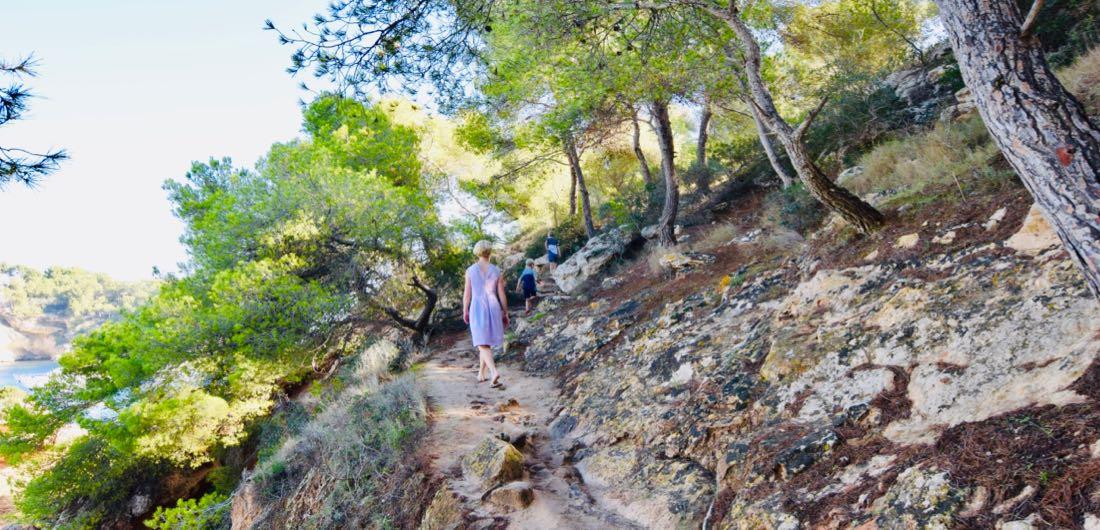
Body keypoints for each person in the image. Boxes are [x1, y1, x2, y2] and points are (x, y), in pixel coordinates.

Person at [463, 240, 509, 387]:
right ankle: (481, 373)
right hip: (493, 304)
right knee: (484, 341)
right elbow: (501, 294)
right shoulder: (497, 271)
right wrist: (505, 311)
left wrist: (465, 309)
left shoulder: (470, 270)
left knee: (481, 341)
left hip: (477, 305)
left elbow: (467, 294)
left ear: (477, 251)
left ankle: (493, 371)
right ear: (490, 251)